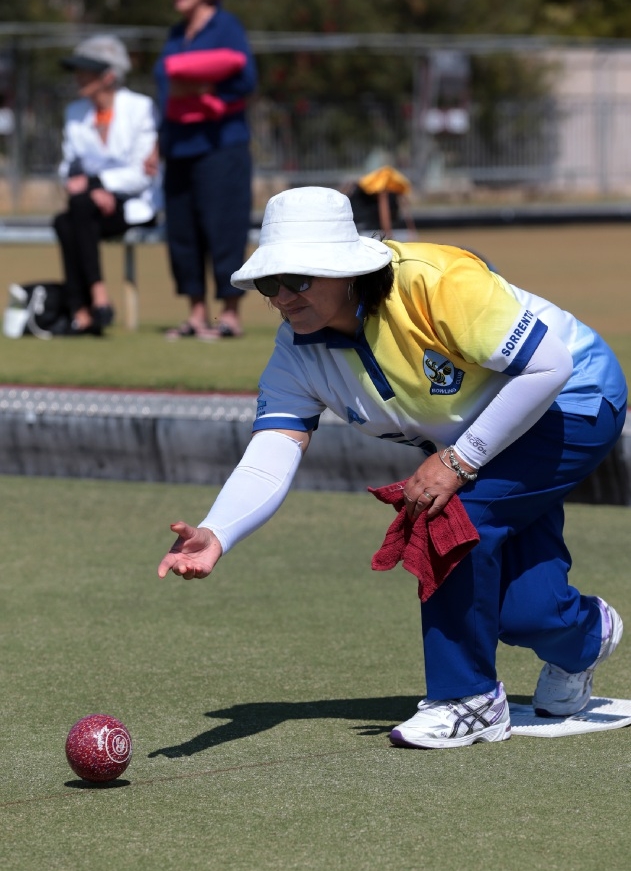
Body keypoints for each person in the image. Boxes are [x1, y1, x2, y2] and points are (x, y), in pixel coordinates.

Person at [157, 186, 627, 750]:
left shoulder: (436, 281)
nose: (281, 298)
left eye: (297, 280)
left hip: (573, 399)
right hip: (485, 431)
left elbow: (548, 367)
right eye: (268, 284)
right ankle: (585, 637)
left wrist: (458, 460)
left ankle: (469, 700)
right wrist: (217, 532)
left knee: (449, 516)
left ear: (345, 271)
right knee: (527, 611)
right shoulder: (296, 352)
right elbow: (272, 451)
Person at [152, 0, 257, 341]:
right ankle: (196, 314)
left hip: (221, 146)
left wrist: (205, 91)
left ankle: (228, 315)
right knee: (182, 232)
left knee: (224, 227)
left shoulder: (227, 27)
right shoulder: (175, 34)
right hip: (178, 147)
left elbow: (246, 81)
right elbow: (166, 93)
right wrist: (158, 142)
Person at [55, 35, 161, 335]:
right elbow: (68, 166)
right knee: (66, 220)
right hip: (89, 207)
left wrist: (98, 183)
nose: (78, 77)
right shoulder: (75, 113)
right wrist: (89, 187)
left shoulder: (140, 107)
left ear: (109, 76)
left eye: (86, 71)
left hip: (134, 204)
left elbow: (143, 173)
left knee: (72, 214)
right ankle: (88, 307)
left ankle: (89, 304)